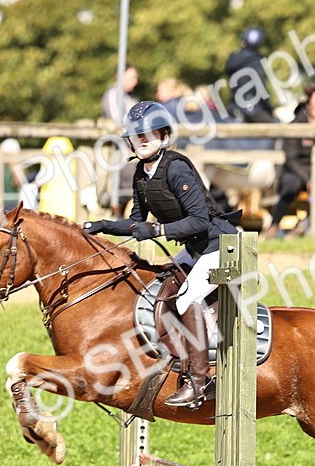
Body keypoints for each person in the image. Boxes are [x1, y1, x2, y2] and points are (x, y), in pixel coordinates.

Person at [82, 101, 241, 408]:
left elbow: (199, 220)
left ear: (164, 135)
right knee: (161, 292)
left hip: (221, 246)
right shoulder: (141, 173)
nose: (141, 140)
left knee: (187, 299)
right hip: (195, 249)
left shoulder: (176, 167)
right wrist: (102, 225)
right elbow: (137, 221)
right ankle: (175, 361)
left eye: (148, 134)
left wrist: (157, 232)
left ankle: (198, 380)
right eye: (135, 135)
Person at [264, 86, 315, 239]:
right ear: (308, 104)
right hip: (298, 171)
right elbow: (291, 158)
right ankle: (274, 226)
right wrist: (309, 179)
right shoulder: (296, 126)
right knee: (290, 184)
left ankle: (306, 226)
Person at [101, 65, 140, 216]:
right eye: (132, 78)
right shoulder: (113, 94)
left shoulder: (130, 98)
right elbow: (118, 121)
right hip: (119, 149)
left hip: (131, 147)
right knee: (122, 190)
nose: (135, 82)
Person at [225, 27, 277, 123]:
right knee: (277, 127)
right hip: (251, 109)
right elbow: (259, 87)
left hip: (233, 106)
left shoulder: (233, 59)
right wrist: (269, 108)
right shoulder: (255, 61)